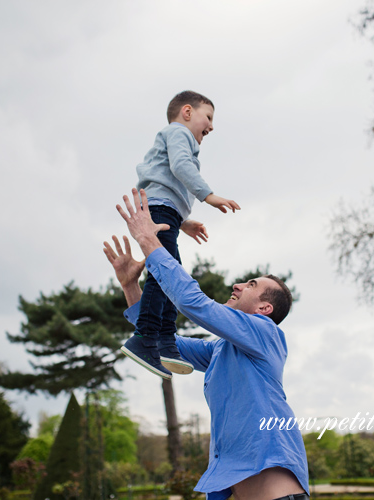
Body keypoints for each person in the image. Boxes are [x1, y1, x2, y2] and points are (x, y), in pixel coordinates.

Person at [103, 188, 309, 500]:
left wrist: (149, 239)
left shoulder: (266, 334)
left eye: (251, 284)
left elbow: (193, 302)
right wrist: (131, 285)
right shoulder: (221, 351)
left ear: (265, 309)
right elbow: (160, 341)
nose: (237, 284)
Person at [124, 90, 241, 380]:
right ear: (187, 112)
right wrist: (209, 196)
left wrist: (183, 220)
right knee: (163, 277)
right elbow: (179, 167)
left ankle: (165, 341)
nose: (211, 126)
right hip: (161, 209)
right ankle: (145, 337)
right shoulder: (178, 133)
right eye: (209, 117)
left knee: (169, 278)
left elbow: (168, 185)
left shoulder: (181, 137)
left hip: (166, 211)